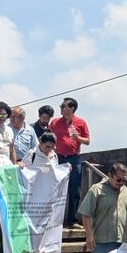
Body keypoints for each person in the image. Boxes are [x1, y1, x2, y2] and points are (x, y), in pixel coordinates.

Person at [51, 97, 90, 227]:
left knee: (74, 190)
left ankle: (71, 220)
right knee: (56, 189)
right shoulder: (55, 122)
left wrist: (77, 137)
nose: (61, 108)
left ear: (72, 108)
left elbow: (88, 141)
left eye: (63, 106)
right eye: (61, 106)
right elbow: (48, 137)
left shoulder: (81, 122)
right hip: (58, 158)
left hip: (74, 158)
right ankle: (54, 220)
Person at [78, 162, 127, 253]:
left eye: (124, 180)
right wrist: (89, 236)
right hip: (102, 242)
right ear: (110, 176)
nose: (121, 183)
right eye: (118, 180)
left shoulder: (125, 190)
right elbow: (85, 214)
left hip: (122, 241)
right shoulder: (96, 190)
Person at [24, 131, 59, 253]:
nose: (49, 149)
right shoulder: (31, 154)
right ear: (40, 143)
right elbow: (23, 171)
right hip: (34, 196)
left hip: (50, 196)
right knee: (35, 227)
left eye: (52, 147)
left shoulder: (54, 156)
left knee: (47, 226)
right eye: (47, 146)